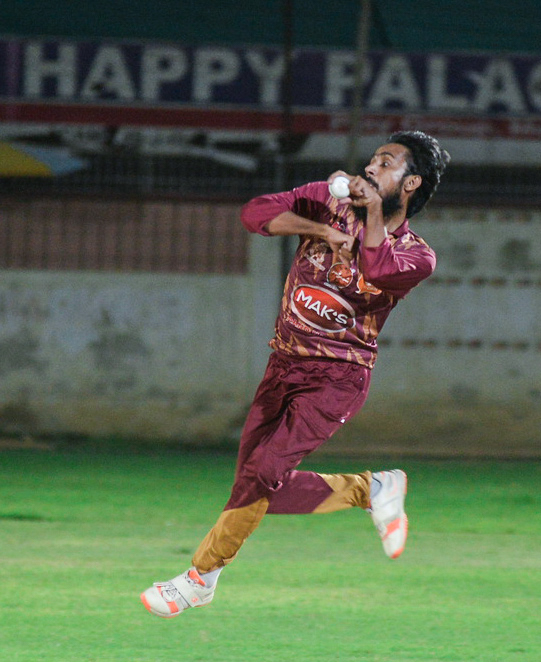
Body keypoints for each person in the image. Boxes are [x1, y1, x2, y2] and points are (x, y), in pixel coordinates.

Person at [140, 130, 451, 618]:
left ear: (410, 184)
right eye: (372, 158)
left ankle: (199, 578)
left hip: (337, 378)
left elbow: (376, 268)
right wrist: (322, 229)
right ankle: (371, 490)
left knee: (263, 474)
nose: (372, 167)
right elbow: (255, 214)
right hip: (282, 365)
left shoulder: (418, 256)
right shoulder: (328, 204)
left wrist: (369, 211)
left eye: (386, 162)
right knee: (253, 485)